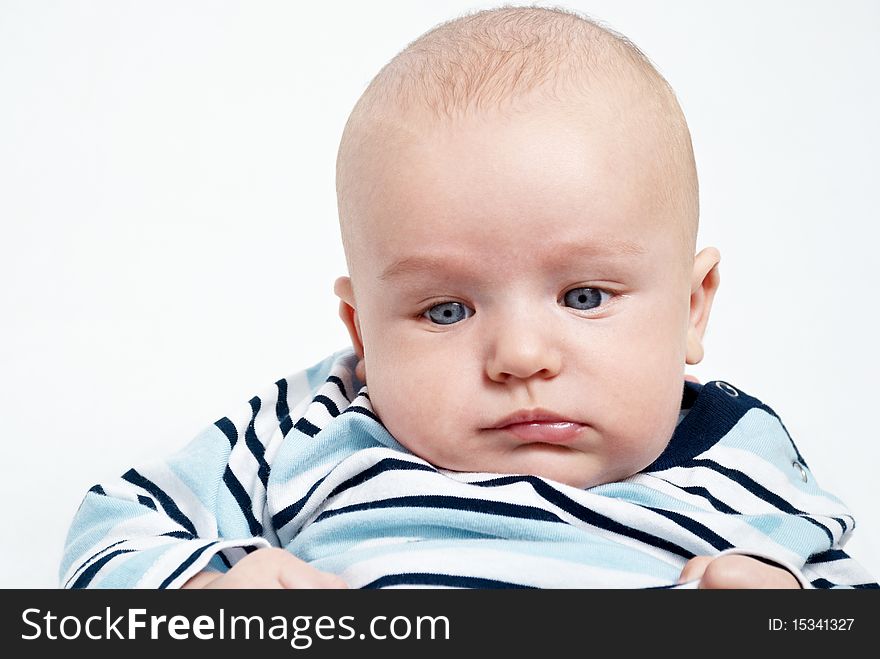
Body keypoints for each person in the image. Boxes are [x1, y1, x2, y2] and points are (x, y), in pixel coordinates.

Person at [60, 5, 877, 590]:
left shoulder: (744, 461)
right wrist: (206, 597)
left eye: (585, 295)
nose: (521, 356)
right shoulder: (317, 422)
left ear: (693, 308)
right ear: (364, 331)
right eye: (447, 310)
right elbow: (111, 529)